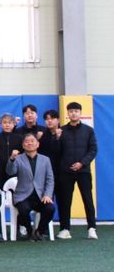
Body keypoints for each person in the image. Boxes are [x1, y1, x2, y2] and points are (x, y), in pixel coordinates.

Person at [54, 102, 98, 240]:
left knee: (88, 199)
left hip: (83, 171)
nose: (73, 113)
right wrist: (57, 138)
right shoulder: (61, 130)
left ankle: (92, 228)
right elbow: (56, 152)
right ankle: (65, 229)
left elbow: (93, 150)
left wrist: (81, 163)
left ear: (80, 113)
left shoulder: (88, 130)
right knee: (64, 201)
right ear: (67, 113)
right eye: (71, 111)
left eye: (76, 111)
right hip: (65, 171)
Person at [7, 133, 55, 241]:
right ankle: (29, 231)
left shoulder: (45, 160)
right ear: (23, 145)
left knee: (50, 209)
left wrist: (47, 195)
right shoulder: (18, 159)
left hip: (40, 196)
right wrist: (12, 159)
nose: (29, 143)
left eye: (32, 141)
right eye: (27, 141)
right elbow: (10, 172)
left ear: (38, 144)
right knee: (23, 210)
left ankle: (39, 231)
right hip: (23, 196)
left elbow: (50, 179)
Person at [0, 113, 23, 180]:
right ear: (0, 124)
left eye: (10, 123)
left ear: (13, 124)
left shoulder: (19, 138)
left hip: (14, 169)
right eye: (4, 122)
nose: (7, 125)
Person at [42, 109, 62, 178]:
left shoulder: (64, 133)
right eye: (47, 119)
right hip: (46, 169)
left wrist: (57, 138)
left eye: (52, 118)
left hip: (61, 170)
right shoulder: (43, 135)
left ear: (58, 120)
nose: (49, 121)